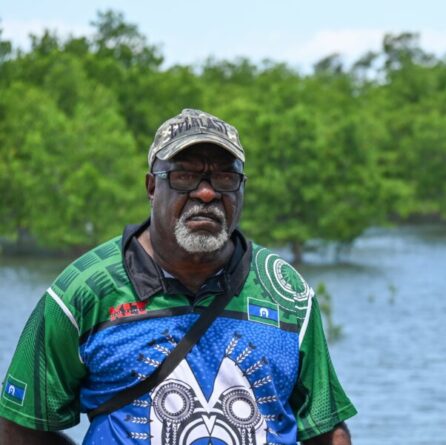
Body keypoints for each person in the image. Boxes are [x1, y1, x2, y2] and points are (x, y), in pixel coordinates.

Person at [0, 109, 356, 444]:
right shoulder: (84, 291)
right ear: (152, 187)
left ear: (241, 188)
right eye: (184, 175)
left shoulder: (285, 292)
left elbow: (325, 429)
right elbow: (19, 425)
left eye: (225, 177)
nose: (206, 192)